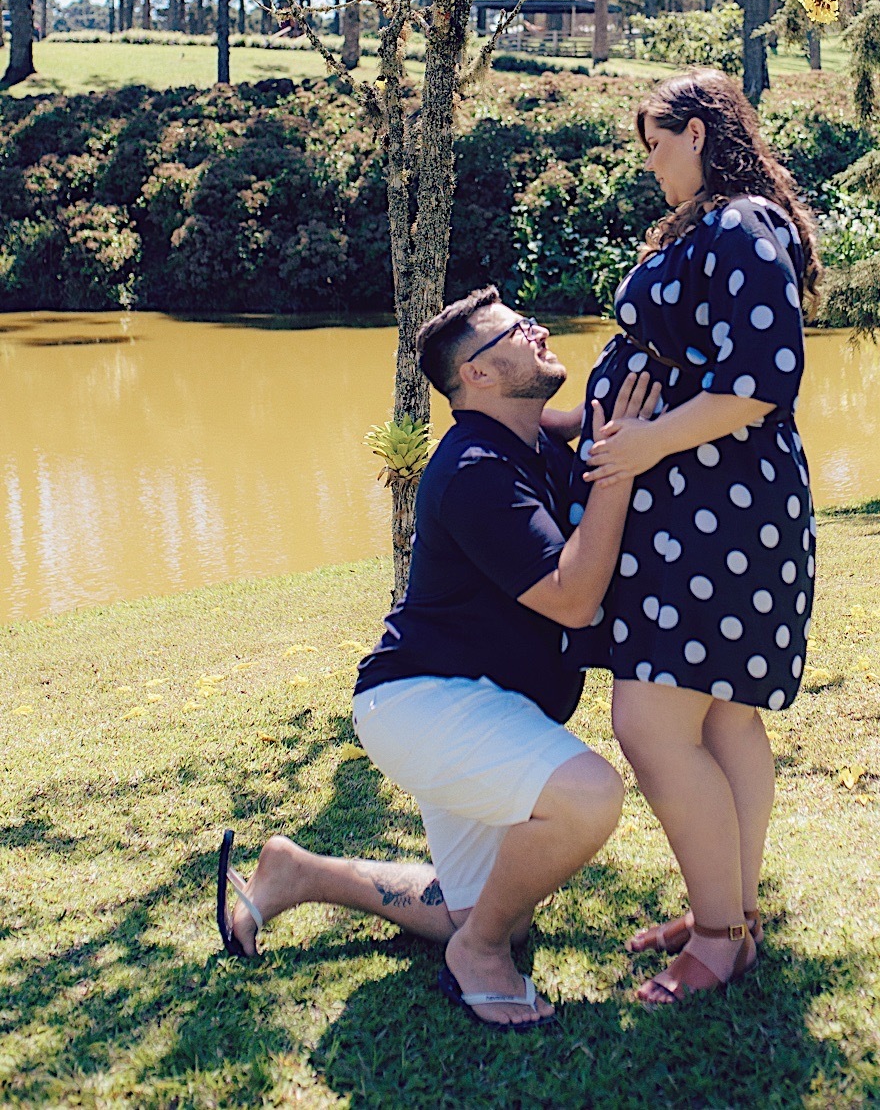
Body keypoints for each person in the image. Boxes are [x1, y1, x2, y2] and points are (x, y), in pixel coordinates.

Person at [215, 287, 658, 1032]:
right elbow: (573, 598)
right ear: (477, 374)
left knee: (486, 908)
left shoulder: (527, 435)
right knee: (588, 798)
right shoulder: (475, 468)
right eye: (517, 331)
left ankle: (299, 872)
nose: (537, 330)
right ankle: (477, 957)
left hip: (472, 702)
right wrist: (617, 466)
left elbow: (600, 418)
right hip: (423, 702)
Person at [562, 69, 821, 1007]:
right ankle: (732, 914)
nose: (651, 163)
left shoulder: (742, 223)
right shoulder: (708, 225)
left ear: (701, 132)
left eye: (657, 143)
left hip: (719, 511)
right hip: (702, 506)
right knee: (721, 719)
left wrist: (641, 443)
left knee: (652, 721)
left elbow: (760, 379)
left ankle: (717, 939)